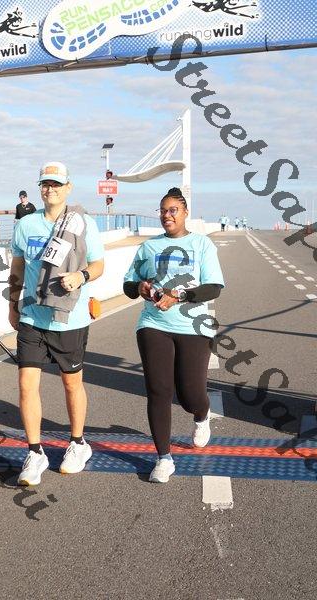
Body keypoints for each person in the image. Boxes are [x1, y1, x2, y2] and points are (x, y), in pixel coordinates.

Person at [9, 161, 104, 486]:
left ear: (68, 188)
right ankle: (35, 452)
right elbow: (17, 268)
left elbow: (99, 264)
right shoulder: (26, 224)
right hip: (32, 315)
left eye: (56, 184)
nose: (50, 189)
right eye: (45, 184)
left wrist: (81, 276)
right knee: (26, 385)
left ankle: (78, 443)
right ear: (40, 188)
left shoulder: (84, 223)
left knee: (71, 384)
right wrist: (12, 303)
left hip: (69, 318)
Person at [123, 187, 224, 483]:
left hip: (193, 326)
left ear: (185, 212)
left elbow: (214, 287)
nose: (167, 215)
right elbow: (128, 285)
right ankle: (163, 458)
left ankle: (201, 415)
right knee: (159, 390)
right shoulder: (148, 247)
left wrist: (179, 296)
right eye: (163, 211)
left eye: (173, 210)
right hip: (153, 324)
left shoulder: (201, 244)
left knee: (190, 395)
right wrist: (139, 287)